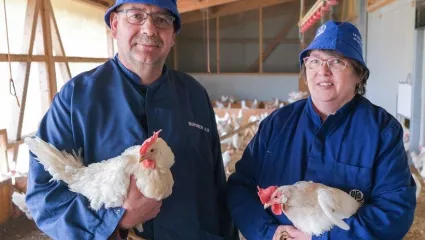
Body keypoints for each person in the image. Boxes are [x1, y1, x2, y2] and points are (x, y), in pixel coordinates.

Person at [25, 0, 238, 239]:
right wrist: (116, 219)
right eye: (136, 15)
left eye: (162, 19)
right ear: (115, 25)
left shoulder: (194, 95)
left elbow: (215, 187)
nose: (149, 29)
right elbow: (45, 197)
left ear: (173, 35)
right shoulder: (76, 98)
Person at [226, 20, 416, 240]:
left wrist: (321, 239)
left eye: (336, 61)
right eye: (314, 61)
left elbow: (394, 211)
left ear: (359, 75)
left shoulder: (381, 131)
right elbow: (241, 187)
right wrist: (270, 233)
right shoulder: (277, 124)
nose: (323, 71)